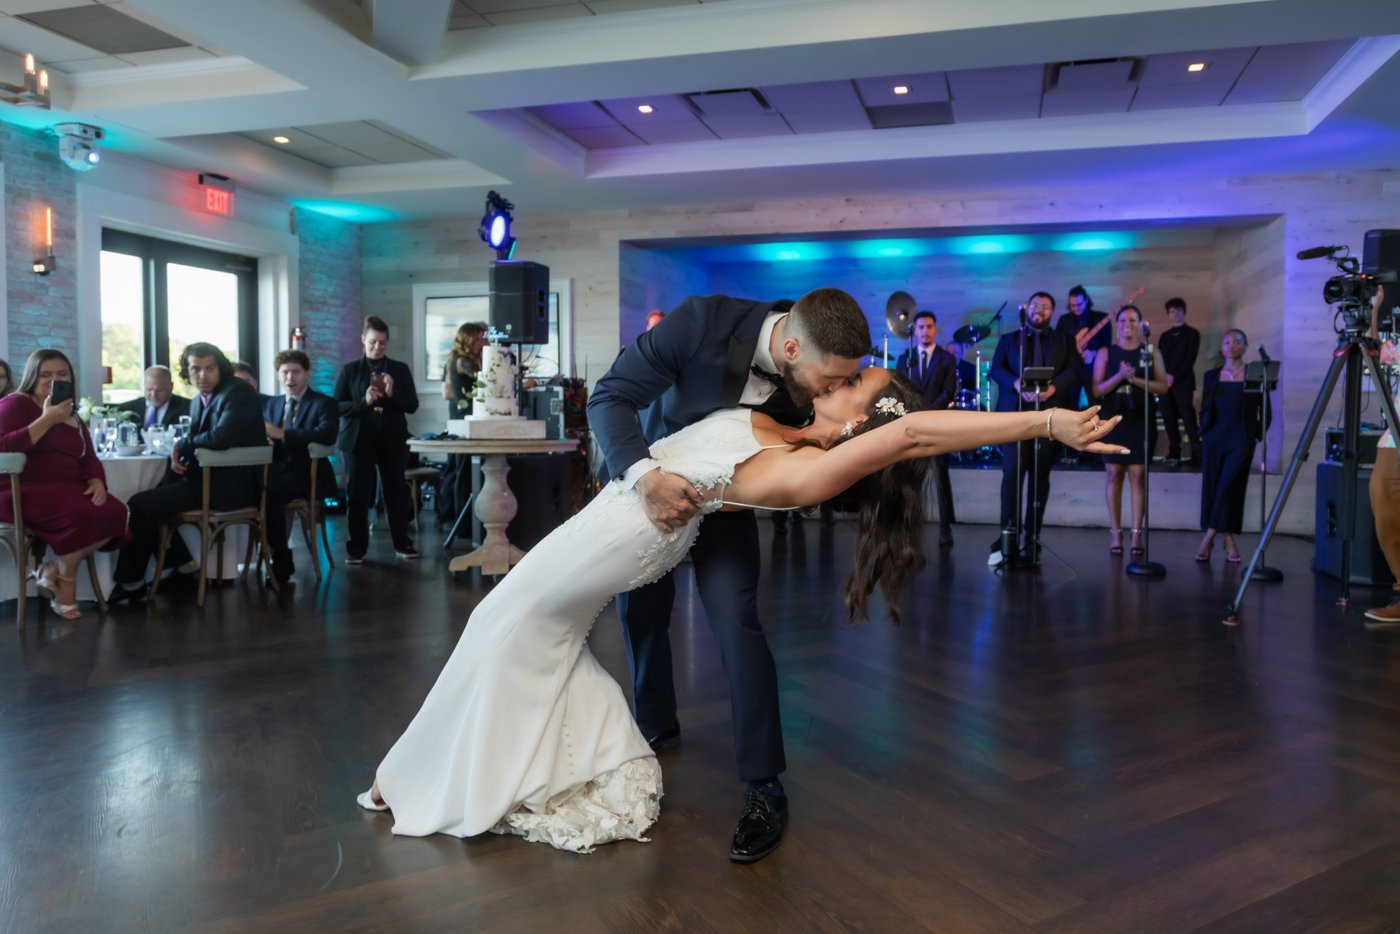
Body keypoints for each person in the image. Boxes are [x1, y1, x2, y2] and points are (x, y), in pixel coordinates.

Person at [357, 366, 1126, 853]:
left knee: (502, 621)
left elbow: (916, 431)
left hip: (622, 537)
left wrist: (1048, 423)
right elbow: (898, 431)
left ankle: (418, 777)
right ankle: (552, 758)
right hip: (616, 522)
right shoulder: (792, 426)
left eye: (858, 378)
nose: (844, 373)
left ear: (866, 422)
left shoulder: (810, 472)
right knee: (525, 629)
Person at [589, 287, 870, 863]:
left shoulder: (819, 364)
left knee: (738, 623)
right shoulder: (700, 322)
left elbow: (856, 432)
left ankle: (764, 784)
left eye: (847, 380)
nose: (836, 391)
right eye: (831, 379)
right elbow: (610, 395)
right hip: (650, 484)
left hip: (728, 502)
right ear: (790, 347)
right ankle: (654, 723)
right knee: (640, 613)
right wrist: (643, 477)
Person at [111, 343, 265, 602]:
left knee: (139, 505)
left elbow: (221, 437)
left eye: (210, 368)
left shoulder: (238, 392)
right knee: (148, 499)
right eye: (195, 368)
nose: (202, 375)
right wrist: (179, 458)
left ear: (221, 369)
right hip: (203, 478)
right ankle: (178, 561)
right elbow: (200, 441)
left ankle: (132, 581)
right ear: (186, 371)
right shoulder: (197, 402)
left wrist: (181, 445)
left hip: (231, 486)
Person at [0, 349, 131, 619]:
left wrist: (96, 480)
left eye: (61, 374)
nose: (53, 379)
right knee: (79, 513)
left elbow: (88, 455)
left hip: (67, 487)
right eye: (45, 374)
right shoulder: (15, 404)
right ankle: (66, 589)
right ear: (31, 377)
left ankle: (53, 571)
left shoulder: (71, 411)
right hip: (19, 487)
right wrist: (47, 419)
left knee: (116, 511)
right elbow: (3, 446)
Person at [988, 291, 1081, 566]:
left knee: (1040, 477)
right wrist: (1016, 385)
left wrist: (1054, 388)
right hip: (1014, 417)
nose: (1039, 310)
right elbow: (996, 369)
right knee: (1012, 475)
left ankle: (1033, 536)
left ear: (1052, 312)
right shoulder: (1009, 339)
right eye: (1035, 305)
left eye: (1046, 306)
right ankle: (1008, 534)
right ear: (1027, 309)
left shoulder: (1064, 341)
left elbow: (1074, 371)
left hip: (1048, 417)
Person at [334, 315, 420, 564]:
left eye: (382, 343)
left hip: (392, 438)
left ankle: (402, 542)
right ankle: (357, 547)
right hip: (358, 440)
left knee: (396, 491)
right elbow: (337, 406)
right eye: (372, 342)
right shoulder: (350, 370)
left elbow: (412, 405)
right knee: (358, 494)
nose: (377, 347)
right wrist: (364, 401)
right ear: (363, 339)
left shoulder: (399, 369)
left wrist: (391, 394)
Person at [1092, 305, 1168, 556]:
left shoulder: (1149, 350)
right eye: (1123, 319)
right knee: (1114, 473)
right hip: (1113, 415)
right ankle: (1116, 532)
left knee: (1137, 474)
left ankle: (1137, 534)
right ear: (1117, 323)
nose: (1128, 324)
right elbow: (1097, 390)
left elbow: (1162, 387)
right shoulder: (1106, 352)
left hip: (1140, 415)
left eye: (1133, 320)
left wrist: (1134, 380)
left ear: (1140, 323)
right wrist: (1121, 376)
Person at [262, 350, 338, 585]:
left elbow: (325, 435)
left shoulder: (324, 403)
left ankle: (281, 557)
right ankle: (259, 555)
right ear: (277, 375)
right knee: (253, 489)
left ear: (307, 374)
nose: (290, 378)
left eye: (296, 372)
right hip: (275, 470)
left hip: (306, 475)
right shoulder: (272, 404)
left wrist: (282, 434)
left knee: (269, 494)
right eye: (284, 372)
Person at [1196, 329, 1267, 563]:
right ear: (1222, 347)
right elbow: (1206, 408)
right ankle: (1228, 539)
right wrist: (1203, 432)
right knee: (1216, 487)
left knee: (1229, 486)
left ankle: (1208, 537)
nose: (1232, 345)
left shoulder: (1254, 373)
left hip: (1241, 438)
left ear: (1245, 346)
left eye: (1237, 342)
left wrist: (1256, 434)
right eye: (1227, 341)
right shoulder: (1211, 375)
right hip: (1215, 438)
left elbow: (1265, 408)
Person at [895, 311, 957, 547]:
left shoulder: (946, 359)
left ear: (935, 329)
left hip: (937, 423)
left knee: (941, 476)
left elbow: (949, 390)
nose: (925, 331)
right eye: (921, 327)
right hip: (912, 425)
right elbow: (899, 388)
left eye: (929, 327)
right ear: (915, 329)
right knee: (911, 478)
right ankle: (909, 528)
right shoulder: (905, 358)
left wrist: (928, 410)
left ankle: (945, 527)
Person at [1157, 297, 1202, 468]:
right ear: (1168, 314)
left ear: (1184, 312)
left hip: (1183, 382)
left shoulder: (1192, 334)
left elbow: (1190, 359)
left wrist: (1172, 377)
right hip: (1165, 384)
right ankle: (1173, 452)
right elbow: (1160, 359)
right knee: (1168, 419)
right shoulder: (1165, 336)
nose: (1176, 314)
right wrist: (1165, 377)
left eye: (1179, 310)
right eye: (1172, 311)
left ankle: (1198, 453)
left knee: (1188, 418)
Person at [116, 365, 191, 429]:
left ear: (171, 387)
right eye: (149, 389)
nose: (154, 395)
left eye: (160, 390)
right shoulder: (125, 409)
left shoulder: (189, 407)